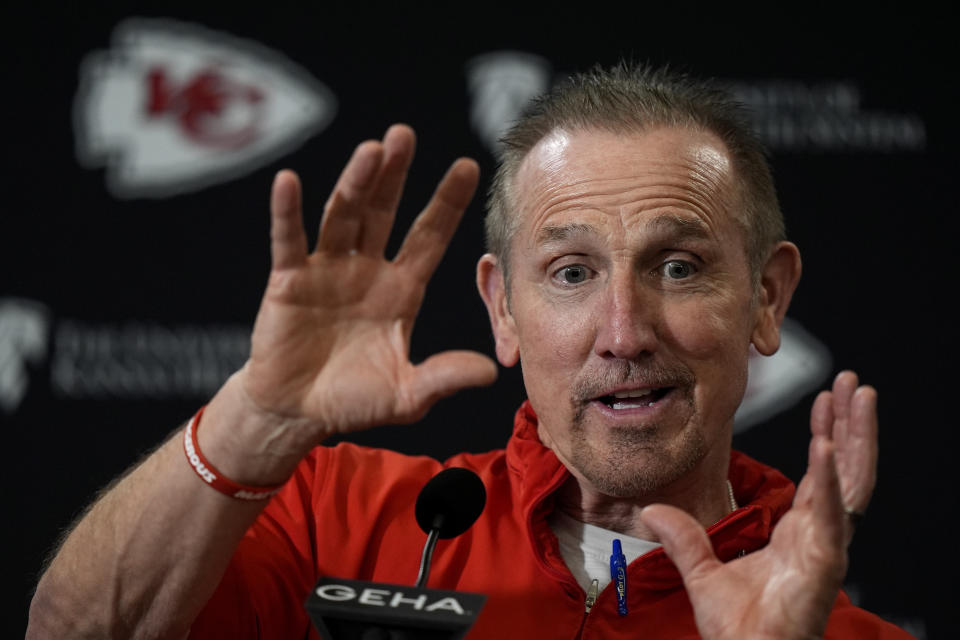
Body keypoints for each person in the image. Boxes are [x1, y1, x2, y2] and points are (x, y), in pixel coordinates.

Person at [27, 63, 911, 639]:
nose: (624, 331)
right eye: (570, 273)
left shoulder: (838, 633)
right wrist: (252, 418)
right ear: (502, 307)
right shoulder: (335, 514)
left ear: (766, 297)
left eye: (678, 267)